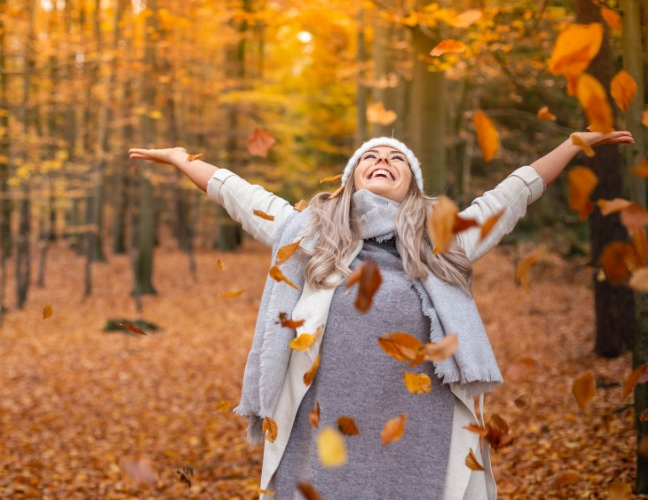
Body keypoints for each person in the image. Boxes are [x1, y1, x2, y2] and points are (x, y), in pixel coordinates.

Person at [129, 130, 633, 500]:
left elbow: (510, 197)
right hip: (324, 430)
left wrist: (570, 145)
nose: (383, 159)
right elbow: (243, 198)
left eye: (396, 157)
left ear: (411, 182)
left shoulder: (445, 235)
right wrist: (181, 160)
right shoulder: (308, 233)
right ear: (351, 178)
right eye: (370, 155)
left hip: (422, 429)